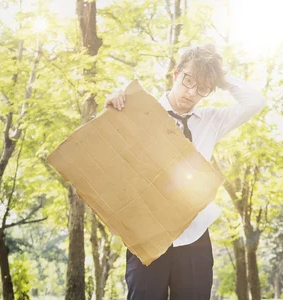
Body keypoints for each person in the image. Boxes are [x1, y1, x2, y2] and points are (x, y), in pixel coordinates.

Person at [104, 43, 266, 300]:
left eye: (202, 88)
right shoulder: (140, 111)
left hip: (194, 236)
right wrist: (112, 107)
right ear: (176, 73)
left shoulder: (211, 121)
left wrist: (221, 79)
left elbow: (255, 101)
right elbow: (107, 159)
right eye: (188, 80)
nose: (191, 93)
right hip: (147, 234)